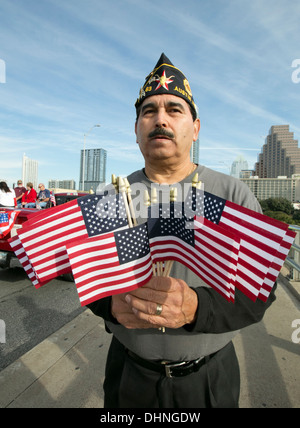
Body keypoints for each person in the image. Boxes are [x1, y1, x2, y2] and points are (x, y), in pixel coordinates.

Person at [87, 53, 276, 408]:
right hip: (128, 374)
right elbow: (90, 279)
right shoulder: (111, 196)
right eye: (148, 111)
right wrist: (107, 306)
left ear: (196, 127)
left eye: (174, 109)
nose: (160, 119)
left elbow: (262, 295)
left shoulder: (233, 195)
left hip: (208, 378)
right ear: (136, 128)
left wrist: (195, 308)